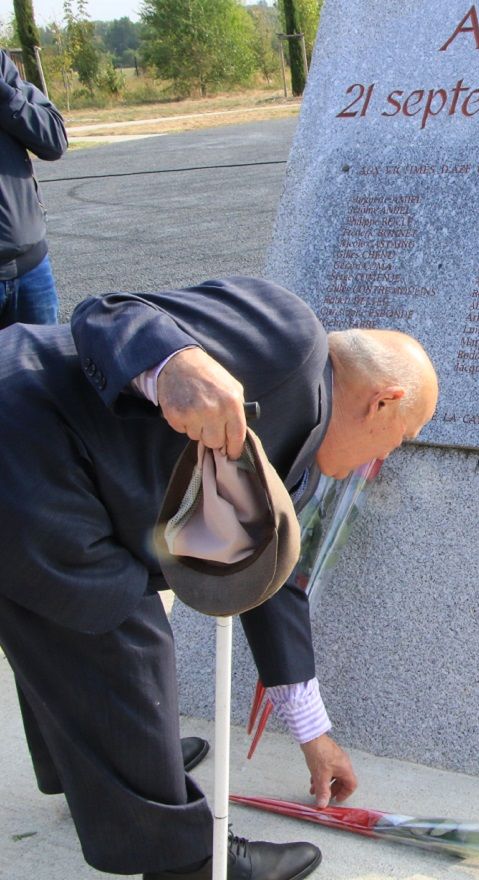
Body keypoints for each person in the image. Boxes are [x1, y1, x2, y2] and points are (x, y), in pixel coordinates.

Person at [0, 277, 438, 880]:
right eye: (402, 437)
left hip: (47, 478)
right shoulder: (289, 335)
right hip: (23, 439)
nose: (383, 459)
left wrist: (312, 732)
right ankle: (190, 861)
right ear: (384, 401)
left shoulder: (303, 452)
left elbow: (267, 574)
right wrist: (175, 364)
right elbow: (109, 314)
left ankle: (117, 774)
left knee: (67, 624)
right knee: (123, 631)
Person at [0, 49, 67, 328]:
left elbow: (54, 140)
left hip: (31, 270)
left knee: (46, 369)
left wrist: (5, 97)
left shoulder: (2, 69)